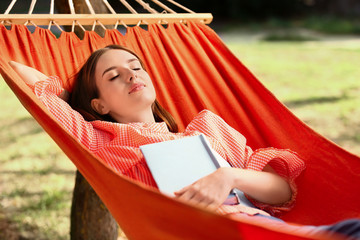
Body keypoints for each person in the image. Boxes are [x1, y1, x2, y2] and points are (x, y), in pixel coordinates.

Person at [9, 45, 360, 239]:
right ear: (99, 105)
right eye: (114, 76)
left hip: (268, 230)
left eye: (136, 66)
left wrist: (229, 177)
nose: (132, 74)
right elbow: (27, 77)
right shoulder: (102, 141)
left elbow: (283, 191)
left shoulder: (206, 131)